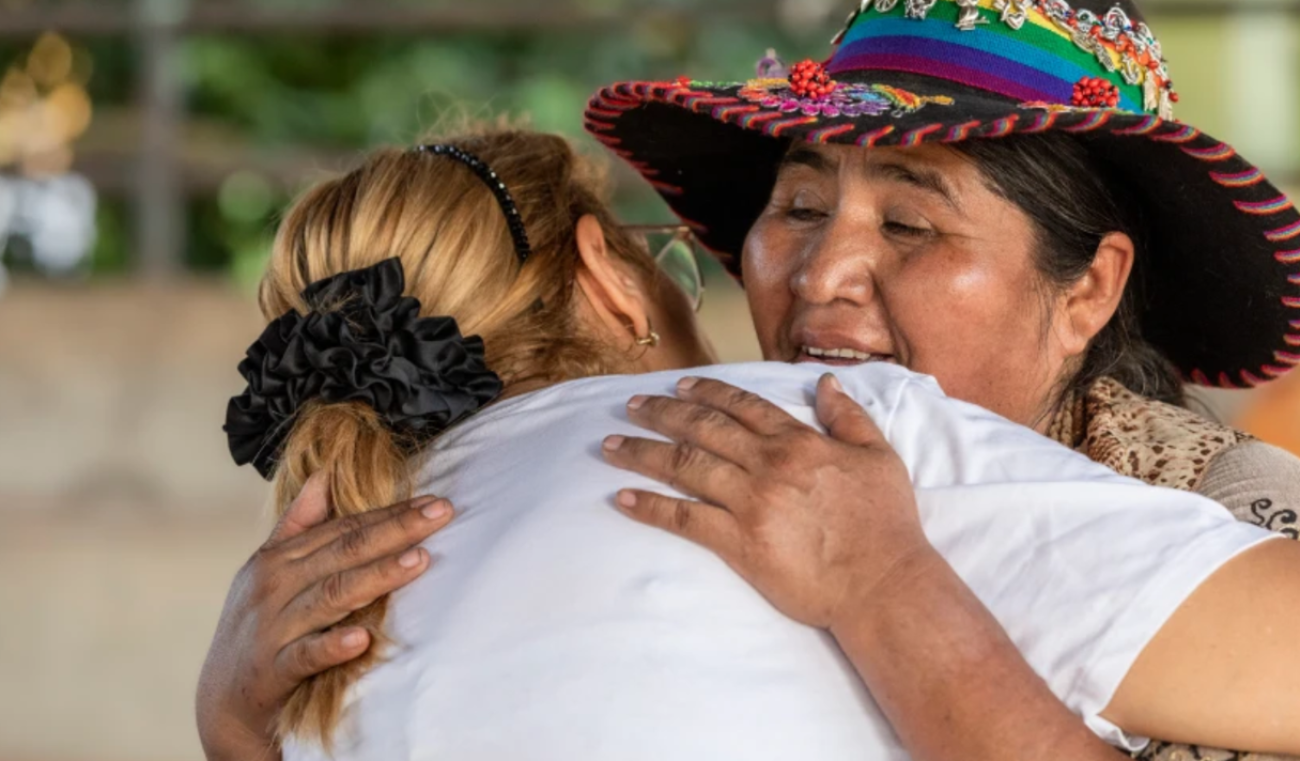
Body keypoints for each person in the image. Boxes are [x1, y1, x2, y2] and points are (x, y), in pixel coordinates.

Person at [199, 0, 1300, 757]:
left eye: (909, 221)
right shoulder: (709, 478)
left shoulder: (1238, 514)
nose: (822, 272)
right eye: (800, 206)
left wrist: (889, 591)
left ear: (1086, 291)